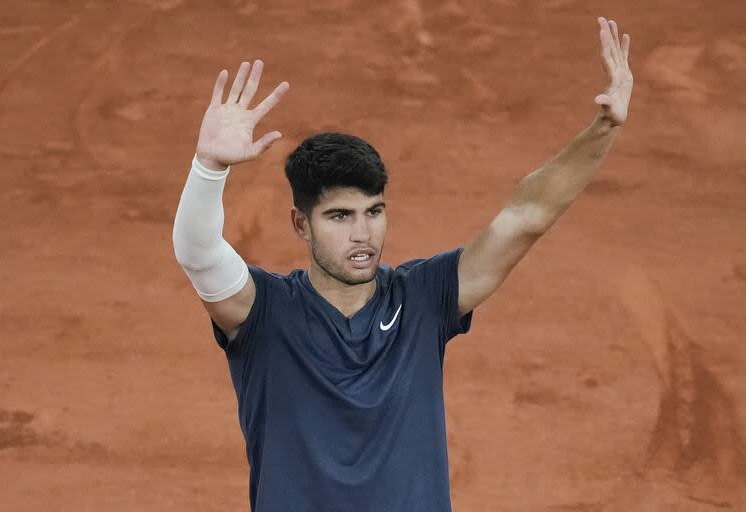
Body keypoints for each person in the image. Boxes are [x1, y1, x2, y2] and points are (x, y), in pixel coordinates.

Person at [172, 16, 632, 512]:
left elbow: (525, 216)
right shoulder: (264, 314)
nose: (363, 233)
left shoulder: (422, 299)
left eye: (374, 211)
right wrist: (209, 167)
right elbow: (198, 253)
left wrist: (603, 129)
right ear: (301, 225)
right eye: (340, 216)